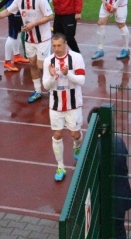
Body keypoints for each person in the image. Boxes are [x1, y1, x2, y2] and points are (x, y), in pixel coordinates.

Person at [0, 0, 53, 103]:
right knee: (32, 64)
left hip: (43, 38)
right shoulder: (19, 0)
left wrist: (33, 23)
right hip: (29, 39)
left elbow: (50, 16)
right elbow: (8, 11)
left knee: (41, 65)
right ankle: (38, 91)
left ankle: (52, 88)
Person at [42, 33, 85, 181]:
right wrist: (53, 76)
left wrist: (68, 74)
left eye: (59, 45)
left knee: (75, 134)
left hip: (73, 104)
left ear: (65, 43)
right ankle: (60, 166)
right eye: (54, 46)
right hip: (55, 105)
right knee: (57, 134)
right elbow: (45, 86)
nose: (57, 49)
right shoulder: (48, 61)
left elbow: (82, 80)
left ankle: (77, 144)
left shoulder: (77, 58)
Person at [87, 107, 131, 239]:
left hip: (103, 199)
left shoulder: (93, 147)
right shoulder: (118, 141)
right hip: (121, 194)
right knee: (119, 229)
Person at [3, 0, 29, 72]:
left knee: (17, 32)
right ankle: (7, 61)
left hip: (16, 7)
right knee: (12, 34)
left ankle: (17, 55)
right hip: (13, 8)